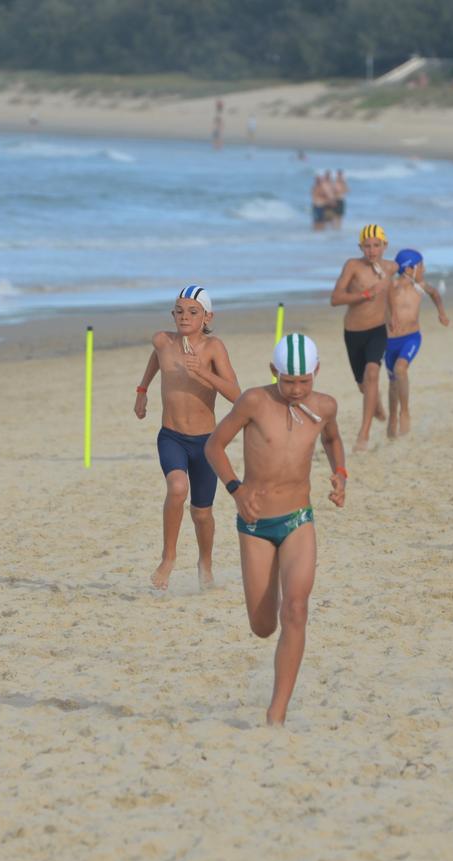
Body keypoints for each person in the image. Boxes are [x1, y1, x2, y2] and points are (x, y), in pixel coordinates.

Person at [204, 334, 347, 726]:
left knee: (296, 609)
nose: (297, 389)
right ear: (274, 373)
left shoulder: (325, 407)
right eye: (288, 382)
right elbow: (214, 446)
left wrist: (340, 474)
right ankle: (271, 602)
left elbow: (332, 439)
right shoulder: (254, 401)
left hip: (299, 519)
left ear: (316, 373)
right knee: (263, 626)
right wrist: (236, 490)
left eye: (304, 381)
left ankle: (276, 713)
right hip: (254, 524)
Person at [134, 285, 240, 591]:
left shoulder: (213, 348)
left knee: (202, 513)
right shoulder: (162, 340)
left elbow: (237, 395)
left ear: (207, 316)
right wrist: (142, 390)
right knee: (177, 488)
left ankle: (205, 563)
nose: (184, 317)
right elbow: (158, 358)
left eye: (193, 312)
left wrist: (204, 373)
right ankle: (168, 558)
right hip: (172, 436)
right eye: (179, 311)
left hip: (206, 443)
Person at [330, 224, 397, 452]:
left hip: (378, 329)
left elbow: (406, 280)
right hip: (353, 332)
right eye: (367, 246)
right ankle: (374, 401)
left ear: (384, 246)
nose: (372, 251)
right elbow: (336, 298)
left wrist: (394, 317)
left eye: (376, 246)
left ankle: (364, 434)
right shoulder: (352, 266)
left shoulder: (391, 268)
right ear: (360, 247)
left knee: (372, 373)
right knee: (364, 385)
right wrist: (365, 294)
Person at [385, 249, 450, 438]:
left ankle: (404, 412)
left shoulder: (419, 286)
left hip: (411, 338)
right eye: (421, 265)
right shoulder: (393, 287)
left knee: (400, 369)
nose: (424, 269)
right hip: (389, 341)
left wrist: (442, 313)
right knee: (393, 384)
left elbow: (435, 293)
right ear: (409, 268)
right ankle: (393, 418)